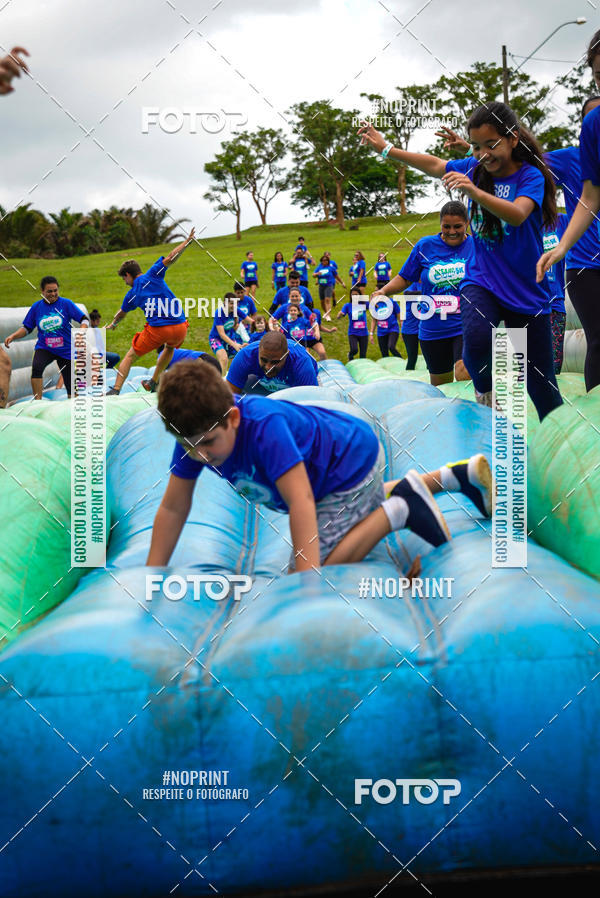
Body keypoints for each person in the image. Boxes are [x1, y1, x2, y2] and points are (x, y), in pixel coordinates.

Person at [146, 360, 494, 572]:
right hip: (332, 473)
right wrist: (153, 573)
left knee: (315, 565)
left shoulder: (264, 430)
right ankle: (451, 477)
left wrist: (307, 583)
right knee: (348, 511)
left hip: (351, 465)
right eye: (190, 447)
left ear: (233, 418)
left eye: (208, 444)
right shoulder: (192, 436)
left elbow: (301, 503)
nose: (201, 456)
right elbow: (174, 508)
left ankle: (400, 509)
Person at [360, 103, 562, 421]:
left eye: (490, 145)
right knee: (479, 341)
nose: (482, 154)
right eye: (477, 147)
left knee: (541, 385)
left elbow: (518, 214)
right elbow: (435, 164)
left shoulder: (530, 176)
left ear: (512, 138)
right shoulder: (475, 168)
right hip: (481, 281)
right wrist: (387, 149)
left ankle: (561, 440)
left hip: (526, 290)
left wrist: (475, 192)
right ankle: (486, 394)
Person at [537, 87, 600, 391]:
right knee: (599, 338)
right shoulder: (570, 159)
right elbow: (519, 165)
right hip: (586, 266)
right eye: (592, 118)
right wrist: (474, 153)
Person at [373, 201, 473, 385]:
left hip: (466, 325)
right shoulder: (425, 246)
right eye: (446, 226)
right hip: (433, 329)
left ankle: (478, 412)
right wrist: (384, 290)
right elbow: (405, 277)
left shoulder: (476, 246)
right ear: (440, 224)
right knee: (441, 386)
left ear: (467, 222)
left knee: (464, 371)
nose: (452, 231)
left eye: (457, 226)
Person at [105, 228, 195, 395]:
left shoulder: (131, 294)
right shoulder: (154, 273)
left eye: (124, 279)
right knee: (169, 348)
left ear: (128, 275)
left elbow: (121, 313)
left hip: (159, 330)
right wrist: (187, 242)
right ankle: (154, 382)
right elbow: (170, 258)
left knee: (130, 356)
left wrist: (113, 324)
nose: (125, 283)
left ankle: (115, 389)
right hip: (181, 327)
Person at [4, 276, 89, 399]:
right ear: (42, 291)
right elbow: (27, 328)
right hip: (45, 348)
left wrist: (81, 331)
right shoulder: (36, 307)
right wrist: (13, 336)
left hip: (65, 349)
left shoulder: (66, 304)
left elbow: (84, 319)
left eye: (55, 290)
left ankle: (73, 402)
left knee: (71, 384)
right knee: (37, 368)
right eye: (49, 291)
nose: (53, 294)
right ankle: (38, 401)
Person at [225, 331, 318, 394]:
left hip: (294, 388)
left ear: (286, 355)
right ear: (258, 352)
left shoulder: (301, 363)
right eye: (264, 360)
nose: (269, 367)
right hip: (260, 383)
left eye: (275, 362)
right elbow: (230, 396)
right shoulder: (246, 355)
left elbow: (311, 406)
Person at [542, 213, 569, 375]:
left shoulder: (562, 221)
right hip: (523, 307)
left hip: (555, 305)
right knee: (521, 371)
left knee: (552, 370)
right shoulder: (518, 221)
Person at [208, 293, 242, 375]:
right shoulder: (219, 313)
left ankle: (234, 380)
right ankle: (221, 382)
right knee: (223, 359)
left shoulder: (236, 311)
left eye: (235, 303)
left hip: (229, 338)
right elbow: (221, 334)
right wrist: (235, 345)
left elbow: (248, 320)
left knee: (239, 358)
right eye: (231, 303)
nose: (233, 305)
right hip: (216, 339)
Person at [337, 287, 369, 360]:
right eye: (353, 295)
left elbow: (374, 307)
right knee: (354, 350)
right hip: (353, 333)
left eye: (356, 295)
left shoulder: (365, 304)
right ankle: (350, 356)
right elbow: (341, 314)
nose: (355, 296)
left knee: (363, 355)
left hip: (364, 333)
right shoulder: (347, 306)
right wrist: (340, 314)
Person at [369, 295, 402, 359]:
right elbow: (374, 320)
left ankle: (402, 362)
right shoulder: (375, 304)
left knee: (391, 347)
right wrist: (371, 334)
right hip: (381, 332)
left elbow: (399, 317)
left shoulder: (392, 302)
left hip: (393, 329)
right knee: (384, 353)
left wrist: (403, 330)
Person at [401, 284, 421, 371]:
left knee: (430, 359)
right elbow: (407, 294)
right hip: (410, 329)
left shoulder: (428, 282)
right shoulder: (413, 283)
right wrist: (425, 292)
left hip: (424, 329)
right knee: (412, 358)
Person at [312, 254, 336, 319]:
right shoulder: (319, 267)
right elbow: (313, 275)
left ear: (328, 261)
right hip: (321, 286)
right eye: (323, 260)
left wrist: (342, 282)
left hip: (329, 285)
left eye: (326, 260)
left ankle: (328, 315)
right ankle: (326, 312)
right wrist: (317, 274)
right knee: (322, 302)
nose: (324, 261)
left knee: (327, 300)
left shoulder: (331, 268)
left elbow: (336, 276)